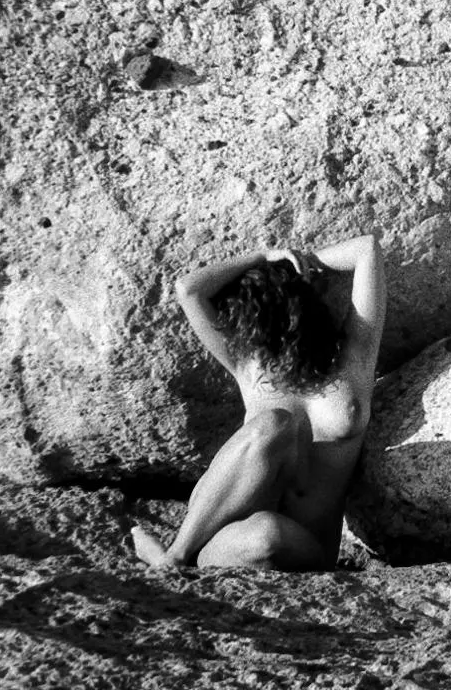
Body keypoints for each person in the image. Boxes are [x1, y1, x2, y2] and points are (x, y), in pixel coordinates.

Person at [130, 233, 386, 572]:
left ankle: (164, 556)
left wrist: (299, 262)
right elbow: (188, 290)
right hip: (234, 537)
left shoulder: (353, 359)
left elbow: (366, 248)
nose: (283, 331)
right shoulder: (250, 368)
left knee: (270, 534)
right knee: (274, 425)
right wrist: (261, 256)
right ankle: (176, 555)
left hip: (308, 545)